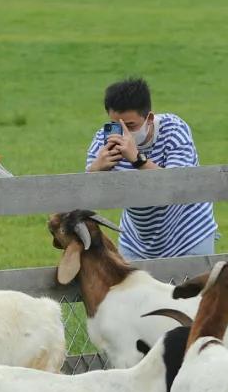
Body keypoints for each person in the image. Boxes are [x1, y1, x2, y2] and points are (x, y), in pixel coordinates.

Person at [85, 77, 217, 260]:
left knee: (192, 289)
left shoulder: (174, 130)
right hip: (135, 239)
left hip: (189, 234)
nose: (124, 133)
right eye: (117, 125)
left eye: (130, 125)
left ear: (150, 118)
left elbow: (178, 184)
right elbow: (85, 190)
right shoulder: (105, 138)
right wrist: (96, 170)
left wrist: (137, 159)